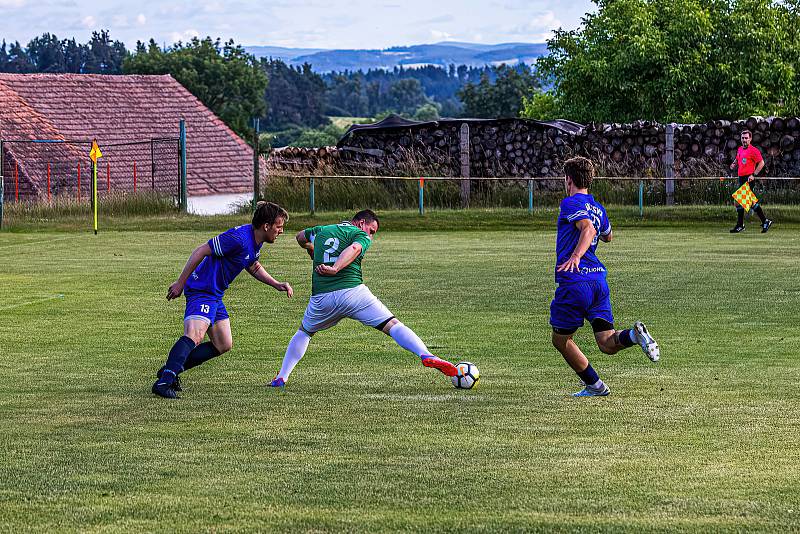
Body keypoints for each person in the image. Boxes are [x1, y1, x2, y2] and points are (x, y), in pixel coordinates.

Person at [268, 209, 458, 388]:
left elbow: (300, 236)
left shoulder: (321, 230)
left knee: (305, 332)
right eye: (371, 230)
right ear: (361, 223)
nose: (371, 235)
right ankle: (425, 354)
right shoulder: (360, 235)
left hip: (322, 298)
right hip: (353, 293)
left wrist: (310, 247)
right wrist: (336, 268)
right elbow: (355, 248)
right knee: (392, 325)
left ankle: (282, 377)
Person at [152, 201, 294, 399]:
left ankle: (171, 369)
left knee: (223, 343)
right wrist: (180, 283)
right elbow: (201, 251)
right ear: (266, 225)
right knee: (195, 335)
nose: (281, 231)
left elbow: (252, 265)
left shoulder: (255, 241)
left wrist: (276, 284)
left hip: (215, 294)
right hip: (202, 289)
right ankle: (165, 381)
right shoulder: (238, 238)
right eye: (279, 227)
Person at [550, 157, 660, 397]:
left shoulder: (570, 203)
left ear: (568, 179)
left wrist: (577, 255)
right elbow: (607, 236)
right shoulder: (598, 208)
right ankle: (633, 335)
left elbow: (588, 229)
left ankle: (595, 386)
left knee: (560, 340)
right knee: (607, 343)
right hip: (598, 282)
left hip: (574, 282)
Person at [729, 129, 772, 233]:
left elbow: (761, 163)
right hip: (741, 178)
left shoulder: (754, 150)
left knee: (738, 201)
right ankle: (765, 221)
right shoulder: (739, 149)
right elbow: (738, 158)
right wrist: (734, 163)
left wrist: (754, 174)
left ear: (750, 139)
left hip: (749, 178)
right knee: (749, 202)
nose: (744, 140)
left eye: (746, 138)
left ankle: (740, 225)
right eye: (743, 138)